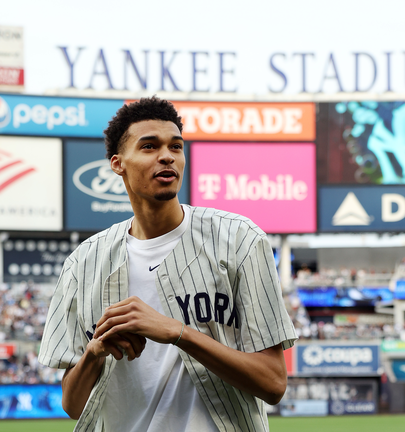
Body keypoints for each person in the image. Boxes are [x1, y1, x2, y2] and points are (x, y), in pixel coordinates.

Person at [38, 96, 297, 432]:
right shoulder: (83, 262)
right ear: (118, 163)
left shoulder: (240, 240)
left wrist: (178, 332)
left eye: (176, 146)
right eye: (149, 146)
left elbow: (273, 383)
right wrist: (93, 353)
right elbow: (73, 406)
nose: (167, 156)